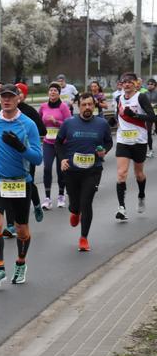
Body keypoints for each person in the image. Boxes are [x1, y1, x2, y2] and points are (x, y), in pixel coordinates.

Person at [0, 84, 42, 287]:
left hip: (21, 182)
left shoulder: (28, 124)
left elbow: (38, 158)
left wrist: (21, 147)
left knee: (22, 229)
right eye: (3, 97)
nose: (6, 100)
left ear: (18, 99)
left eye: (10, 97)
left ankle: (21, 263)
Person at [56, 93, 113, 251]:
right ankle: (74, 211)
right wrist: (62, 159)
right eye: (84, 104)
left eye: (90, 104)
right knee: (75, 204)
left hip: (93, 170)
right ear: (78, 106)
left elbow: (108, 142)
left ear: (94, 106)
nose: (87, 107)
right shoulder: (68, 123)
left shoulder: (102, 124)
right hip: (72, 171)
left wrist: (104, 152)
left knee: (86, 202)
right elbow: (58, 143)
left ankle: (83, 238)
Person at [2, 83, 45, 237]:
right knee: (7, 186)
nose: (17, 95)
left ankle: (37, 205)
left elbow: (43, 130)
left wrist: (24, 137)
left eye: (19, 92)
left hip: (26, 156)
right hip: (8, 157)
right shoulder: (5, 111)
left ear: (23, 96)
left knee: (27, 184)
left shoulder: (29, 112)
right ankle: (10, 224)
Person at [114, 72, 156, 221]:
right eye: (124, 82)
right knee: (121, 173)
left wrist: (136, 116)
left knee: (139, 174)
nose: (127, 84)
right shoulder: (118, 98)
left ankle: (141, 195)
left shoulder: (140, 97)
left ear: (135, 83)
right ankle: (122, 208)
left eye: (130, 82)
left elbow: (153, 117)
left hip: (139, 141)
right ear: (121, 84)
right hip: (123, 140)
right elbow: (117, 116)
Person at [38, 82, 71, 210]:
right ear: (48, 92)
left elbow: (69, 124)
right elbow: (39, 122)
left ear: (59, 93)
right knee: (47, 168)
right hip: (48, 143)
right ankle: (47, 198)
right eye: (51, 90)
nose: (52, 92)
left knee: (60, 170)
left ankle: (61, 195)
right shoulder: (43, 106)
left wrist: (56, 122)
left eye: (55, 91)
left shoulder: (63, 107)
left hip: (61, 143)